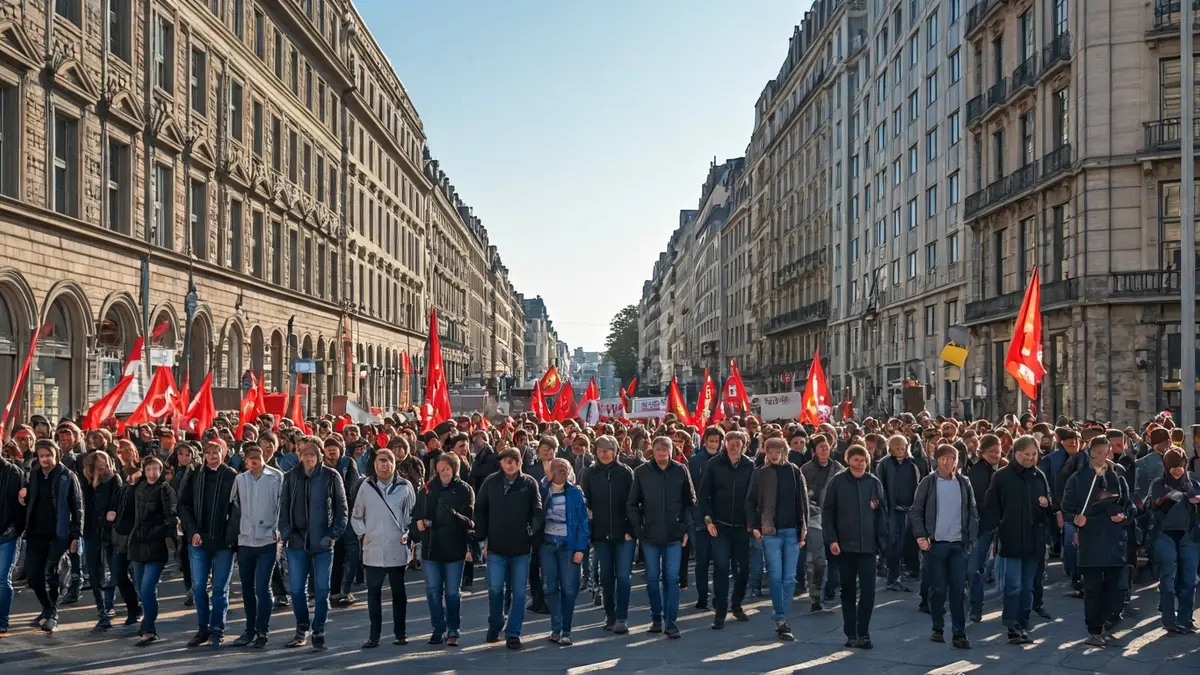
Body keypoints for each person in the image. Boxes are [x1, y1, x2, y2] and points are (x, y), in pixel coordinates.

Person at [1061, 435, 1135, 647]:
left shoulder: (1117, 478)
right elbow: (1066, 509)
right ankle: (1095, 629)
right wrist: (1076, 519)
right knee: (1093, 588)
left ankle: (1106, 621)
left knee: (1115, 589)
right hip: (1091, 538)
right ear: (1091, 454)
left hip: (1114, 538)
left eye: (1106, 452)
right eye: (1099, 453)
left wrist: (1124, 517)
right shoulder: (1077, 479)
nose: (1103, 457)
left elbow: (1130, 506)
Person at [278, 436, 349, 651]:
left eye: (312, 454)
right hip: (297, 542)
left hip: (323, 542)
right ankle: (301, 629)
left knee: (321, 590)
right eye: (305, 454)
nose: (308, 458)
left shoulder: (330, 476)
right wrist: (287, 533)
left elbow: (342, 510)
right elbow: (283, 509)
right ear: (299, 456)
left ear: (318, 456)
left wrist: (333, 535)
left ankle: (318, 630)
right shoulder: (291, 477)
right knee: (297, 589)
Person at [985, 435, 1054, 645]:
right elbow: (991, 507)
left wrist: (1046, 504)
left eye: (1034, 454)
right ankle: (1012, 625)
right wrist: (995, 531)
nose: (1031, 458)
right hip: (1011, 539)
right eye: (1027, 455)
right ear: (1016, 454)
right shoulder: (1002, 477)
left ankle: (1024, 624)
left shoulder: (1039, 476)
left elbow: (1050, 504)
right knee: (1013, 586)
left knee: (1028, 586)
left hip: (1034, 541)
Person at [910, 444, 978, 649]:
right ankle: (937, 628)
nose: (948, 463)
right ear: (937, 460)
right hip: (936, 545)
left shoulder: (963, 483)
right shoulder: (929, 482)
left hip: (958, 545)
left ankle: (959, 632)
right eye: (943, 459)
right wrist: (921, 536)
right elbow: (916, 511)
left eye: (952, 458)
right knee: (939, 589)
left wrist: (971, 539)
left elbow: (972, 511)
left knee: (958, 590)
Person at [627, 435, 695, 639]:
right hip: (650, 536)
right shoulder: (642, 473)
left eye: (665, 451)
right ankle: (656, 618)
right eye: (658, 451)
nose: (662, 455)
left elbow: (689, 502)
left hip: (674, 535)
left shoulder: (680, 470)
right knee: (653, 579)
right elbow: (632, 504)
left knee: (672, 579)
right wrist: (639, 529)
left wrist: (684, 528)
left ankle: (671, 621)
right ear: (653, 452)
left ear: (671, 452)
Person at [475, 447, 543, 650]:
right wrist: (481, 536)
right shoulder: (491, 482)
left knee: (520, 593)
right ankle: (495, 625)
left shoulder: (529, 483)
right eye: (505, 460)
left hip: (521, 548)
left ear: (519, 462)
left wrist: (531, 530)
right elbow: (480, 509)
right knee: (496, 590)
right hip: (496, 547)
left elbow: (537, 510)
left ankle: (513, 633)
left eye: (513, 460)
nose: (509, 464)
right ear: (501, 463)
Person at [352, 447, 417, 648]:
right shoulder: (366, 486)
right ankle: (374, 635)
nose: (384, 464)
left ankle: (400, 633)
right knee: (374, 594)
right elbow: (356, 515)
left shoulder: (405, 487)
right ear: (375, 463)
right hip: (373, 548)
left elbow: (412, 515)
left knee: (398, 593)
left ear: (394, 463)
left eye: (388, 460)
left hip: (397, 546)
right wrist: (363, 534)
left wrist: (409, 534)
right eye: (381, 460)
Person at [823, 444, 886, 649]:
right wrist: (832, 539)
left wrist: (882, 544)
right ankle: (850, 632)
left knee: (868, 592)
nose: (859, 464)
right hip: (844, 547)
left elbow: (881, 515)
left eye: (863, 460)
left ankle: (864, 632)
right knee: (848, 591)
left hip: (868, 547)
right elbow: (828, 513)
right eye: (855, 460)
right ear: (848, 460)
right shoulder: (837, 482)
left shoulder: (873, 483)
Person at [745, 436, 809, 641]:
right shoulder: (760, 474)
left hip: (791, 531)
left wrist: (803, 530)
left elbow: (803, 502)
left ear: (784, 452)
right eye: (770, 451)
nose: (773, 455)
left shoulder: (794, 471)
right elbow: (751, 501)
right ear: (765, 452)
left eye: (777, 451)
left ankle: (783, 615)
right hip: (770, 531)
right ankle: (781, 620)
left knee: (789, 578)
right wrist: (754, 527)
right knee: (775, 575)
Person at [178, 440, 238, 647]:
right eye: (209, 452)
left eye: (217, 452)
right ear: (203, 454)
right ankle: (202, 628)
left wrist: (231, 537)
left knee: (220, 589)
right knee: (199, 587)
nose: (213, 456)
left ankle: (217, 630)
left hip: (223, 542)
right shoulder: (195, 474)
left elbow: (238, 509)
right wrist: (192, 531)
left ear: (224, 453)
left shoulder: (232, 476)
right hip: (199, 541)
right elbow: (183, 505)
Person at [21, 439, 83, 633]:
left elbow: (77, 507)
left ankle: (53, 612)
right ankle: (47, 607)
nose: (45, 459)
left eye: (48, 455)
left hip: (59, 532)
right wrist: (22, 497)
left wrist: (76, 535)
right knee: (32, 576)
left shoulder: (67, 476)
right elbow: (27, 500)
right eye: (42, 456)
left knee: (53, 572)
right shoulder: (33, 475)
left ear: (56, 455)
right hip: (35, 532)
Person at [698, 428, 754, 629]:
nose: (734, 447)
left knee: (743, 569)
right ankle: (720, 612)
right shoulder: (714, 464)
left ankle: (736, 603)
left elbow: (754, 496)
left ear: (744, 447)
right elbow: (703, 496)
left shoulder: (750, 466)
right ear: (725, 445)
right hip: (719, 526)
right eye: (731, 443)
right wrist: (708, 519)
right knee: (721, 567)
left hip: (741, 526)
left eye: (738, 444)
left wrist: (752, 521)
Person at [580, 434, 635, 634]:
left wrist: (631, 529)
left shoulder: (625, 472)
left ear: (615, 451)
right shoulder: (589, 473)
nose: (603, 453)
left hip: (624, 534)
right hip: (601, 534)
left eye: (607, 450)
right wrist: (589, 532)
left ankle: (622, 617)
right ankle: (610, 614)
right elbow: (584, 504)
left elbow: (634, 502)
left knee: (623, 576)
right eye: (600, 450)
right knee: (606, 577)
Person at [230, 444, 283, 648]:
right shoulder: (240, 479)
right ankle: (249, 629)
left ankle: (263, 631)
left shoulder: (276, 477)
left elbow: (281, 505)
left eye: (257, 456)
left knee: (262, 587)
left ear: (264, 458)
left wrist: (277, 530)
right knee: (247, 588)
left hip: (267, 540)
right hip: (245, 540)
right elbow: (234, 506)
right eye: (249, 457)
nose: (253, 460)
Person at [419, 452, 474, 646]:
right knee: (433, 591)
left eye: (447, 468)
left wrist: (453, 514)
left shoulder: (464, 490)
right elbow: (417, 514)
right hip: (431, 547)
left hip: (454, 547)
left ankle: (453, 630)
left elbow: (470, 521)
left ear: (454, 469)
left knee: (452, 592)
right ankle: (438, 628)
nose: (443, 472)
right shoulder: (427, 489)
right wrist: (420, 523)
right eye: (440, 469)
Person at [123, 456, 178, 646]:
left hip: (155, 546)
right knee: (142, 589)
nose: (152, 473)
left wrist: (155, 533)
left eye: (156, 469)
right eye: (148, 469)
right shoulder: (138, 488)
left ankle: (148, 628)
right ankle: (148, 627)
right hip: (137, 544)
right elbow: (127, 508)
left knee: (147, 590)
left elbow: (171, 519)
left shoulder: (165, 490)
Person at [1146, 447, 1200, 634]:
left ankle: (1185, 618)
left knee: (1189, 579)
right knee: (1168, 577)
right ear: (1166, 466)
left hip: (1189, 536)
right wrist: (1182, 497)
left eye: (1180, 466)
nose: (1177, 470)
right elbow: (1155, 503)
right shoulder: (1158, 483)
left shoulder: (1194, 484)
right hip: (1164, 535)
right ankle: (1169, 620)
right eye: (1173, 467)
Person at [538, 457, 590, 645]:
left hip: (568, 547)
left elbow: (584, 523)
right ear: (550, 471)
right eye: (557, 468)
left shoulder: (575, 493)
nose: (561, 472)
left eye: (565, 469)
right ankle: (555, 628)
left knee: (569, 589)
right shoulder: (542, 491)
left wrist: (581, 549)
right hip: (547, 546)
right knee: (550, 587)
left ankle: (566, 630)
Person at [81, 451, 127, 631]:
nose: (100, 466)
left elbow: (118, 503)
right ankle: (103, 611)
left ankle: (110, 605)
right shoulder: (85, 481)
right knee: (94, 572)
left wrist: (112, 518)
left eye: (103, 463)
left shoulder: (114, 480)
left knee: (115, 570)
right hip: (91, 532)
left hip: (110, 533)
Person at [799, 433, 843, 612]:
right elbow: (801, 494)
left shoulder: (839, 468)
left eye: (826, 445)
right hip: (813, 518)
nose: (824, 449)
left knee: (834, 557)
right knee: (817, 559)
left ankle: (830, 591)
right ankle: (815, 594)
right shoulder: (805, 470)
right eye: (820, 446)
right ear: (814, 450)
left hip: (835, 518)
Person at [876, 434, 922, 593]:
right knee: (892, 543)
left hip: (907, 510)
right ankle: (892, 577)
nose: (901, 451)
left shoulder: (912, 465)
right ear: (890, 449)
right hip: (891, 510)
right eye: (897, 448)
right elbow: (880, 486)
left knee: (904, 543)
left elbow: (916, 486)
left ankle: (897, 575)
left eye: (903, 447)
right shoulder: (884, 464)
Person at [966, 433, 1003, 622]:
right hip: (982, 527)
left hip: (994, 525)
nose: (996, 454)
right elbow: (979, 503)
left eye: (998, 451)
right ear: (982, 452)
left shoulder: (999, 468)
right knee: (976, 568)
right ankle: (975, 606)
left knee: (983, 567)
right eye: (992, 451)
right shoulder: (979, 472)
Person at [687, 427, 723, 608]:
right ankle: (702, 596)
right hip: (699, 518)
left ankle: (718, 596)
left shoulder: (723, 461)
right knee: (702, 562)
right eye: (711, 441)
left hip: (720, 518)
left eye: (717, 441)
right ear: (704, 441)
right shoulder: (695, 461)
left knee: (720, 561)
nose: (714, 444)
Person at [0, 449, 25, 634]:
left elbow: (21, 504)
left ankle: (2, 621)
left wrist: (15, 528)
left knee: (2, 579)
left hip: (7, 534)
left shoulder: (13, 471)